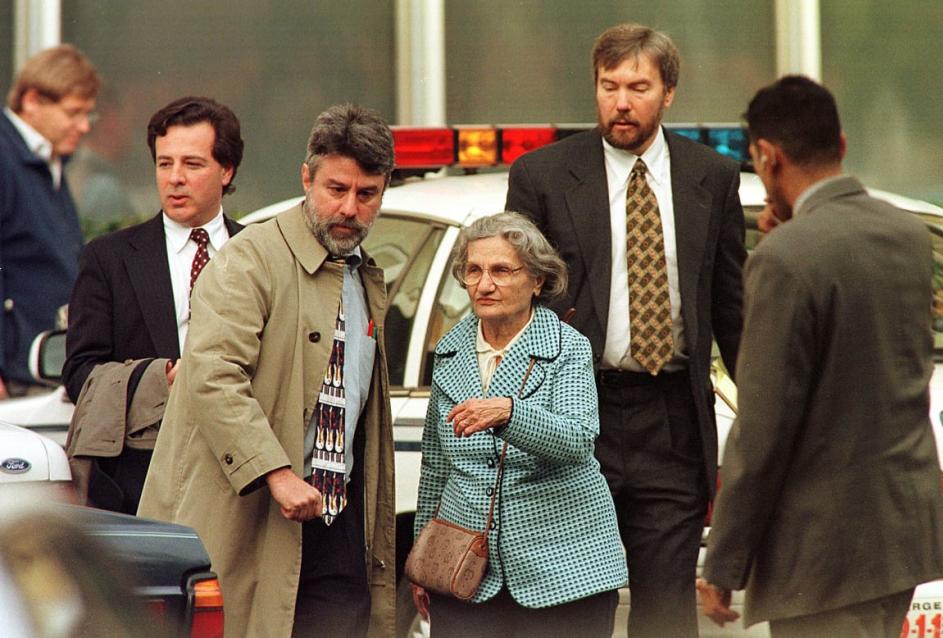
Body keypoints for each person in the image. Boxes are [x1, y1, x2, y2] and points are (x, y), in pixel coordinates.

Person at [505, 23, 745, 637]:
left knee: (665, 613)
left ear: (668, 93)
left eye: (637, 86)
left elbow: (730, 306)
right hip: (575, 414)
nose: (621, 101)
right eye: (608, 86)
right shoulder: (543, 177)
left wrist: (760, 411)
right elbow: (512, 307)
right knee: (575, 607)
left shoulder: (712, 178)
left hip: (672, 420)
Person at [698, 75, 943, 637]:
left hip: (822, 554)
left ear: (766, 157)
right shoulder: (907, 235)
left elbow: (763, 429)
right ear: (839, 143)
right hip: (902, 537)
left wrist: (724, 561)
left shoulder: (784, 258)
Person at [138, 104, 396, 638]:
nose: (349, 208)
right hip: (251, 515)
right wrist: (277, 475)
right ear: (306, 178)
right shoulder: (248, 260)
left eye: (366, 194)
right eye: (335, 189)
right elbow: (212, 376)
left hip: (337, 522)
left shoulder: (365, 275)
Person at [410, 212, 628, 638]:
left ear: (537, 281)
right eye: (474, 270)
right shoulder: (450, 350)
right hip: (465, 572)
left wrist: (510, 411)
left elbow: (578, 439)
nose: (484, 284)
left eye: (501, 271)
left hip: (563, 573)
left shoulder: (568, 347)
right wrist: (424, 558)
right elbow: (435, 467)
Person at [61, 96, 245, 515]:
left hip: (241, 480)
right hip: (142, 482)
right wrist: (159, 378)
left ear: (226, 170)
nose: (175, 179)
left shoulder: (260, 254)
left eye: (192, 164)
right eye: (165, 164)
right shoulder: (108, 258)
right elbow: (79, 374)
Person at [0, 44, 100, 398]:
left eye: (88, 114)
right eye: (73, 112)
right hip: (14, 377)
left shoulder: (49, 158)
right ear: (31, 101)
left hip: (43, 369)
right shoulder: (6, 156)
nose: (84, 126)